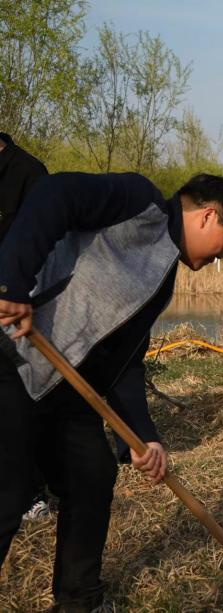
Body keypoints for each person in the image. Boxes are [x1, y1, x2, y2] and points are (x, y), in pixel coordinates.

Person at [0, 172, 223, 612]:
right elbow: (56, 193)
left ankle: (79, 601)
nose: (221, 256)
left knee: (91, 475)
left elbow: (124, 361)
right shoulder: (138, 203)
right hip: (14, 358)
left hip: (66, 387)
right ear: (208, 216)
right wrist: (11, 282)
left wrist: (142, 436)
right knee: (9, 490)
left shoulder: (163, 278)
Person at [0, 132, 54, 522]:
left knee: (17, 401)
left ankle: (30, 492)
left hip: (14, 312)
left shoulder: (30, 175)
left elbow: (47, 248)